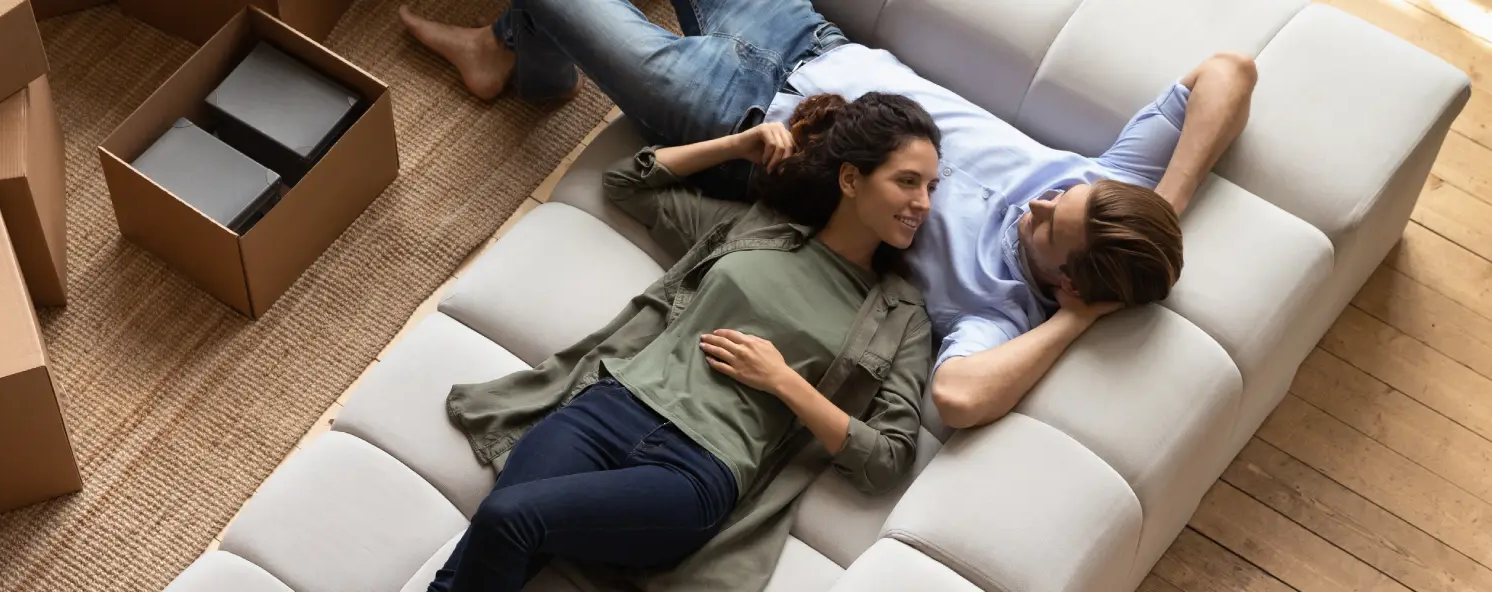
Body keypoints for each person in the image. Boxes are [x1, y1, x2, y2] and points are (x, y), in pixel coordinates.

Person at [402, 0, 1257, 431]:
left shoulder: (994, 314)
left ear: (1064, 281)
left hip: (738, 118)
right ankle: (514, 54)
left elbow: (956, 400)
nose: (1040, 199)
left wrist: (1073, 322)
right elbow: (1229, 73)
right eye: (1057, 194)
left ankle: (518, 54)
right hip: (804, 38)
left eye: (1047, 227)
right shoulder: (1106, 191)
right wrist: (1163, 201)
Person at [433, 93, 940, 590]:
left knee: (506, 517)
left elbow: (888, 459)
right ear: (851, 178)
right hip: (608, 408)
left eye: (931, 188)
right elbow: (628, 183)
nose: (923, 204)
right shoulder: (756, 226)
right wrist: (736, 145)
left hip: (698, 469)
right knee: (473, 565)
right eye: (907, 182)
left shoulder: (901, 316)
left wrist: (785, 382)